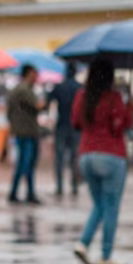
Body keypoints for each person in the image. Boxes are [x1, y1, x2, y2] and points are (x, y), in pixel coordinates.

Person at [72, 57, 133, 264]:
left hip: (86, 155)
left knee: (99, 204)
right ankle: (106, 255)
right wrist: (129, 106)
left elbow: (75, 122)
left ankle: (83, 243)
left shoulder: (82, 96)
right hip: (111, 155)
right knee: (111, 207)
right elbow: (121, 125)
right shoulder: (113, 97)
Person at [7, 65, 44, 204]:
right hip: (27, 131)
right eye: (35, 74)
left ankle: (24, 192)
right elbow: (37, 106)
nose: (37, 77)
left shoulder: (17, 89)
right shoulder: (25, 90)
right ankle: (20, 192)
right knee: (26, 163)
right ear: (29, 74)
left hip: (22, 130)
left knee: (24, 163)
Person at [49, 62, 82, 196]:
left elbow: (48, 102)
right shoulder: (79, 88)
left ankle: (59, 186)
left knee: (59, 158)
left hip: (61, 125)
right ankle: (74, 186)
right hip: (75, 127)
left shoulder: (59, 87)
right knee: (74, 157)